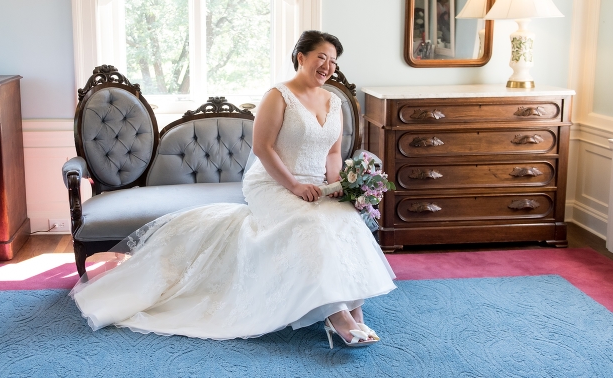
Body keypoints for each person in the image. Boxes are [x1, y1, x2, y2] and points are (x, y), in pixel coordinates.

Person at [70, 30, 396, 348]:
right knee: (308, 224)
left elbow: (334, 153)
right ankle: (336, 314)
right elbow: (263, 148)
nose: (328, 66)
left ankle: (354, 308)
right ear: (301, 57)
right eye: (321, 57)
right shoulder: (278, 96)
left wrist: (336, 185)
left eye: (333, 61)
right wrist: (295, 185)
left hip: (317, 185)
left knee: (345, 219)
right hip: (273, 182)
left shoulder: (334, 102)